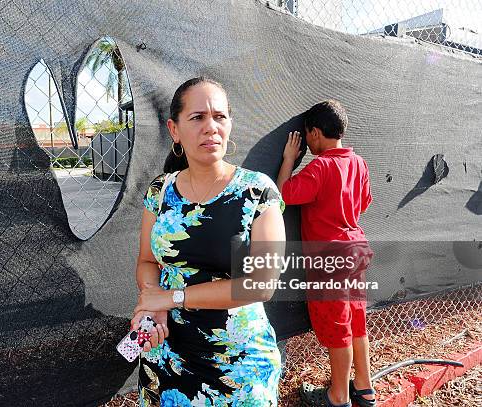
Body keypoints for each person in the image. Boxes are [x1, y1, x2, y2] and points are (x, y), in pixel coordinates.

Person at [131, 77, 286, 406]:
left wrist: (170, 298)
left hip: (237, 367)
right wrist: (151, 304)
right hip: (168, 355)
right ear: (174, 130)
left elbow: (261, 284)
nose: (210, 127)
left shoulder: (257, 192)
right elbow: (147, 262)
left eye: (219, 116)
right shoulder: (159, 192)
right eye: (198, 117)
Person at [277, 100, 375, 407]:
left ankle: (338, 396)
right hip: (355, 250)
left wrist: (289, 160)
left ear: (315, 133)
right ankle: (364, 388)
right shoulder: (358, 162)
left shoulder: (320, 166)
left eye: (306, 137)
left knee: (337, 329)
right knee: (355, 321)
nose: (305, 143)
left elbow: (282, 195)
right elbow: (364, 202)